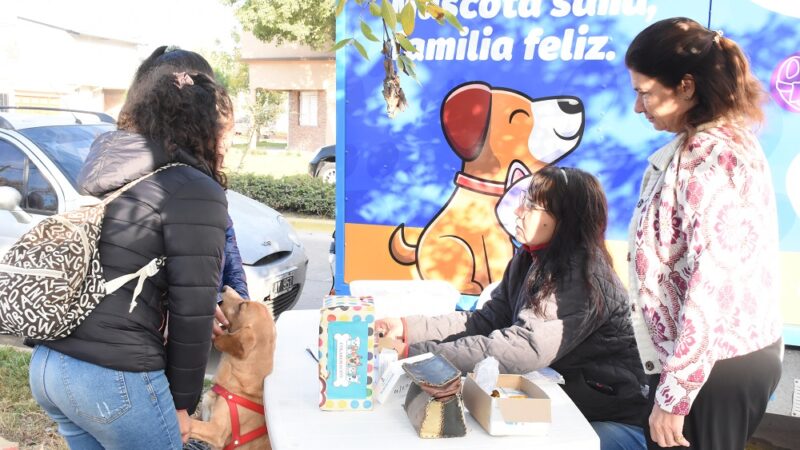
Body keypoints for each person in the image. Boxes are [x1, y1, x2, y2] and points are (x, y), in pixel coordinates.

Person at [27, 65, 233, 448]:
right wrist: (182, 404)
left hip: (50, 365)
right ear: (202, 127)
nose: (227, 141)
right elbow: (194, 309)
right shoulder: (194, 190)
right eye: (225, 130)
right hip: (113, 376)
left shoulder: (116, 177)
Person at [377, 166, 649, 450]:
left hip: (610, 418)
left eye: (532, 206)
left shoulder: (582, 274)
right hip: (571, 403)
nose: (518, 210)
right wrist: (408, 329)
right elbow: (487, 320)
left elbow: (524, 348)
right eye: (523, 199)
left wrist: (416, 356)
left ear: (566, 220)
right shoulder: (531, 258)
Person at [624, 17, 783, 449]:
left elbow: (715, 284)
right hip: (705, 365)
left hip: (712, 368)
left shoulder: (714, 158)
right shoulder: (710, 146)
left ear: (687, 87)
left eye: (644, 93)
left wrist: (675, 397)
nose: (638, 107)